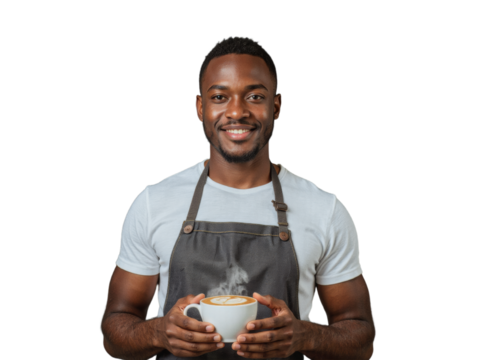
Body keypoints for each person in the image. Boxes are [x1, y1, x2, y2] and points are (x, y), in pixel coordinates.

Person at [100, 35, 377, 360]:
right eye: (220, 96)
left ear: (276, 106)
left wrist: (305, 336)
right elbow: (114, 334)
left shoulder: (325, 210)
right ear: (200, 108)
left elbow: (362, 339)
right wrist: (159, 331)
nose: (236, 111)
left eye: (255, 96)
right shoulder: (153, 203)